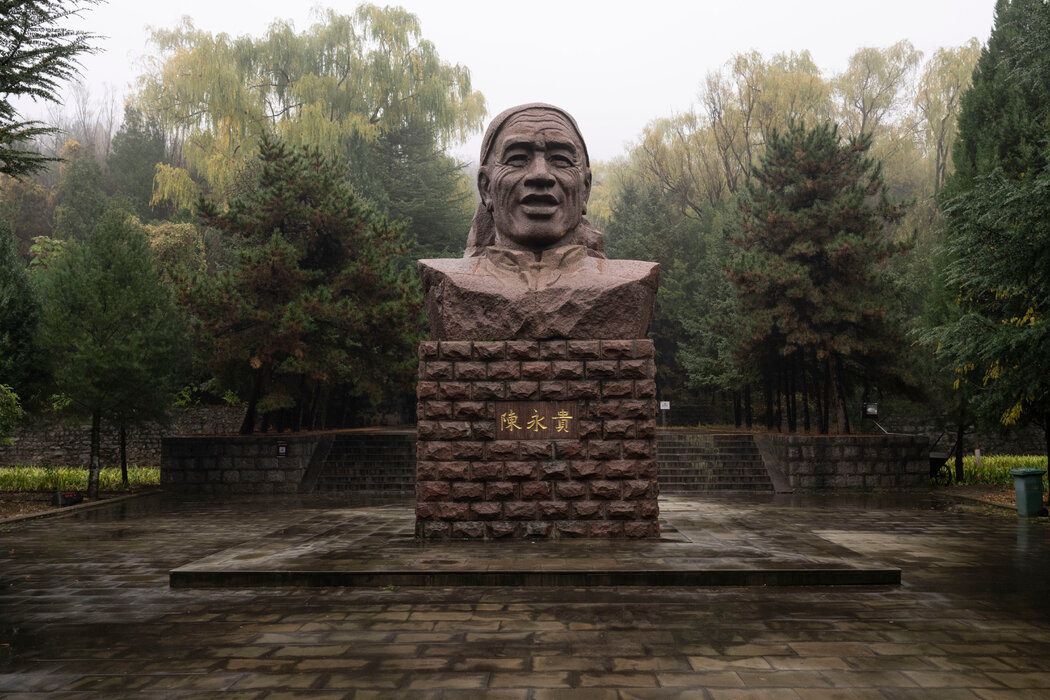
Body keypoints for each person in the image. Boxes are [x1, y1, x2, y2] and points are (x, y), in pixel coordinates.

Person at [419, 103, 658, 340]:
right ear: (486, 187)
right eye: (517, 158)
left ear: (585, 189)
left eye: (561, 160)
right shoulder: (450, 282)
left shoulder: (627, 283)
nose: (541, 175)